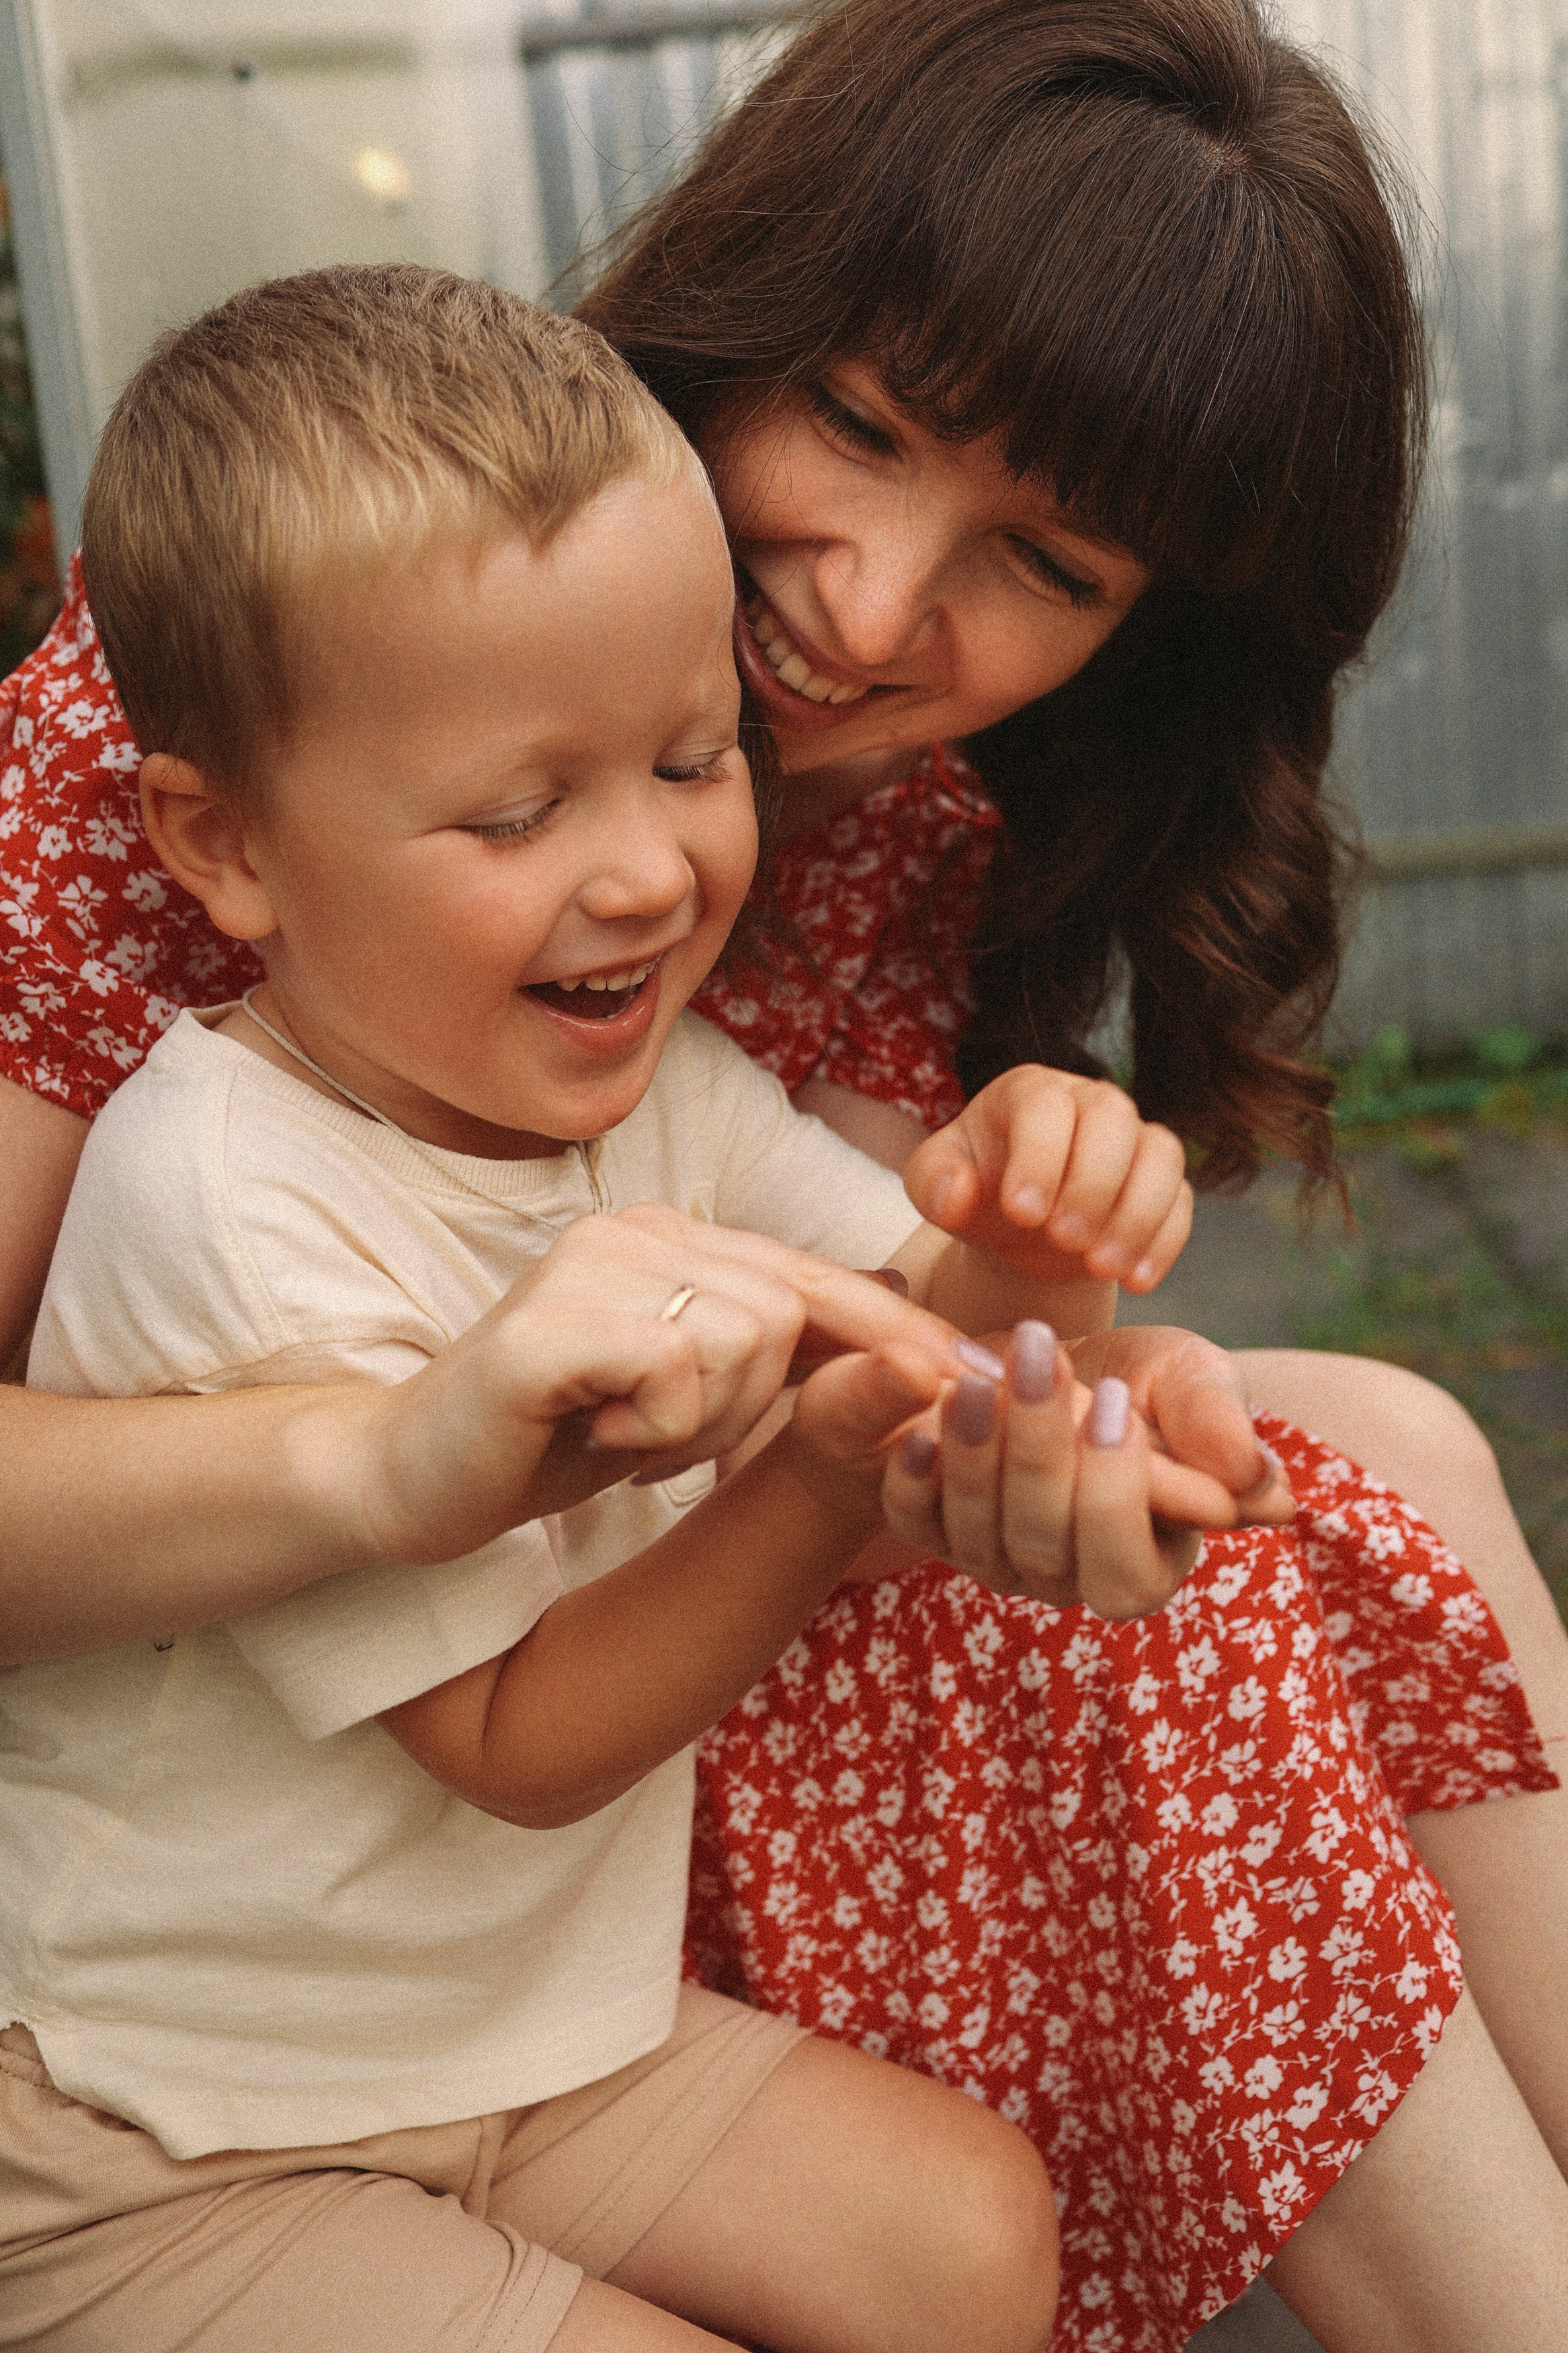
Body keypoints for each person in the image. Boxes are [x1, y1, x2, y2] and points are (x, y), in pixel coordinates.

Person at [0, 0, 1565, 2344]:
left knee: (1391, 1456)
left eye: (1042, 560)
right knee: (1176, 1642)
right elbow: (814, 1447)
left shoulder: (907, 835)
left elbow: (918, 1336)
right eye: (855, 422)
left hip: (606, 1641)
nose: (861, 606)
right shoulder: (230, 697)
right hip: (240, 1787)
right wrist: (406, 1454)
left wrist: (1059, 1310)